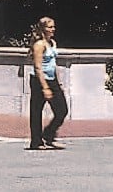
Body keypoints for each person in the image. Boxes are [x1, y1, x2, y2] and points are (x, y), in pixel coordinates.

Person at [28, 16, 68, 150]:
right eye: (50, 27)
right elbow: (38, 67)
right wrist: (45, 87)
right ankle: (36, 141)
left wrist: (57, 81)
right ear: (42, 29)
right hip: (39, 80)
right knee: (36, 111)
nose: (53, 29)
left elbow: (53, 64)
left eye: (53, 27)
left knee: (62, 110)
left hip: (52, 79)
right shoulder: (39, 45)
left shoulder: (52, 43)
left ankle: (49, 134)